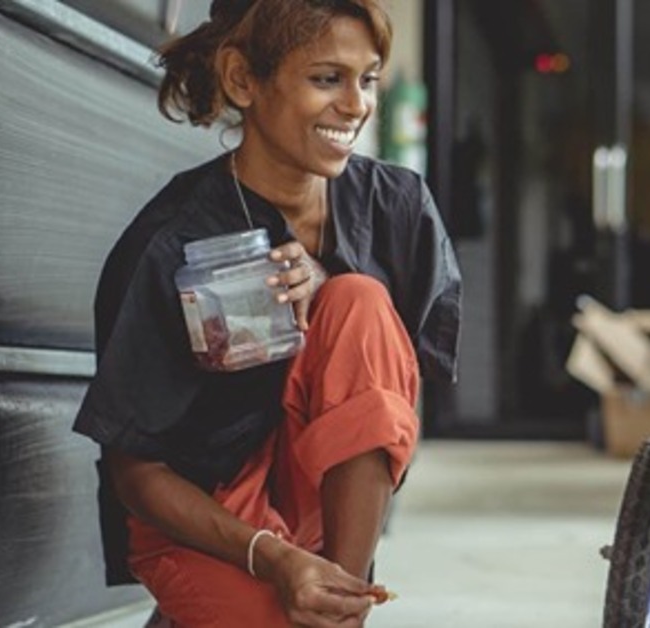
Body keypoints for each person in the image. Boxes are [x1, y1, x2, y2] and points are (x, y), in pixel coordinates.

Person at [72, 0, 462, 625]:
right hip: (205, 516)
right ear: (242, 80)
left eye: (367, 79)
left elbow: (391, 394)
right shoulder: (170, 240)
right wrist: (273, 559)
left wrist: (329, 279)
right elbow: (135, 472)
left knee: (360, 298)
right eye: (326, 78)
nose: (357, 105)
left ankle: (337, 602)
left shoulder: (397, 207)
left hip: (317, 493)